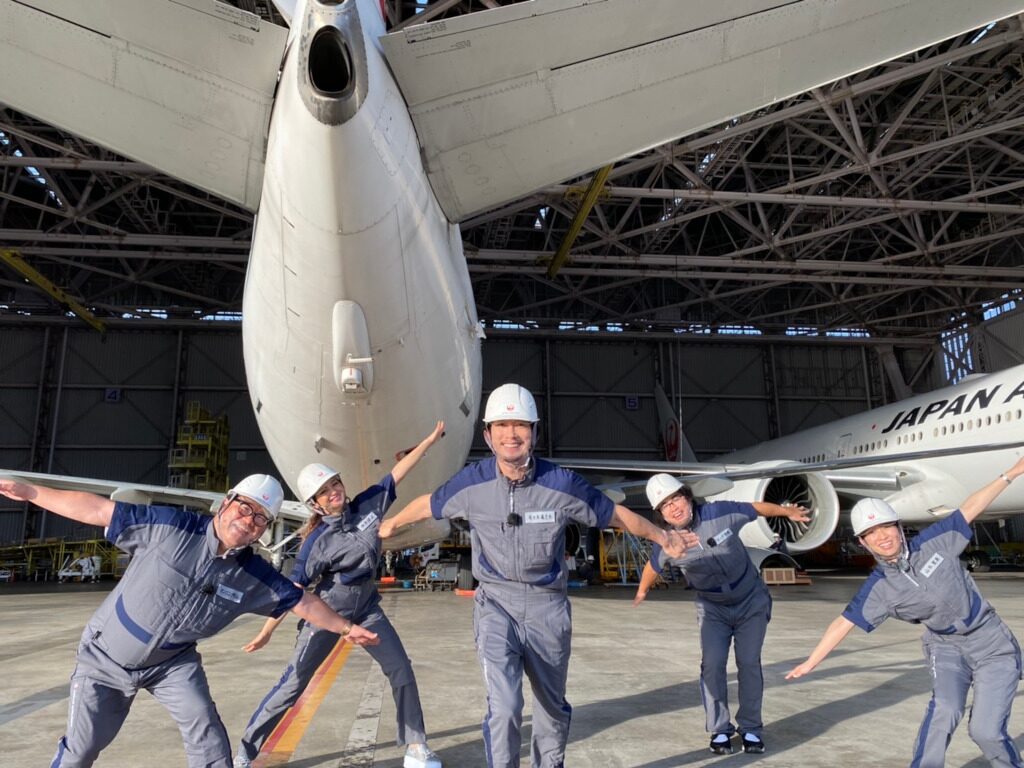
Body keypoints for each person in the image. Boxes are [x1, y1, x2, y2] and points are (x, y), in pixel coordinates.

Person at [379, 384, 695, 768]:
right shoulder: (471, 482)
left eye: (520, 425)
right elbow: (430, 503)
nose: (511, 434)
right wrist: (392, 521)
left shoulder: (561, 483)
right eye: (502, 426)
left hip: (548, 607)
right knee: (506, 706)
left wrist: (663, 535)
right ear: (487, 435)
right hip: (496, 604)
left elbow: (613, 514)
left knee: (550, 706)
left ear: (534, 432)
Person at [0, 473, 380, 768]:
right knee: (82, 748)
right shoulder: (170, 527)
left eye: (260, 519)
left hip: (172, 663)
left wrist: (345, 628)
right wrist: (33, 494)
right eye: (244, 508)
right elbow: (99, 510)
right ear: (226, 503)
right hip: (105, 658)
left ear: (264, 531)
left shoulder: (253, 574)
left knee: (208, 733)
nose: (248, 520)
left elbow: (303, 602)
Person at [786, 456, 1024, 768]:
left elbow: (972, 506)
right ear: (863, 542)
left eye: (886, 527)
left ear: (899, 528)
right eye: (871, 533)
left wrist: (1013, 471)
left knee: (985, 731)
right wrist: (810, 662)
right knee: (944, 712)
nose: (882, 537)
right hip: (946, 647)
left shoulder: (936, 542)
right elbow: (843, 623)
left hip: (991, 643)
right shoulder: (880, 587)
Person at [234, 422, 446, 768]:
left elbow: (397, 474)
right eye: (324, 490)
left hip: (367, 608)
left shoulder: (368, 506)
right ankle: (245, 752)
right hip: (327, 614)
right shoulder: (317, 543)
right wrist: (267, 630)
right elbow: (294, 591)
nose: (334, 491)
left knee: (401, 670)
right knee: (293, 684)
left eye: (335, 483)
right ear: (315, 504)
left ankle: (416, 746)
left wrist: (427, 442)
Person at [633, 473, 810, 755]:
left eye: (676, 498)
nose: (674, 507)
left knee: (748, 662)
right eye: (665, 505)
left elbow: (756, 508)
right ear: (660, 514)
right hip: (712, 607)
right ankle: (719, 730)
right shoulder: (667, 540)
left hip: (750, 599)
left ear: (687, 496)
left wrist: (786, 511)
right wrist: (642, 591)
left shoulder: (719, 513)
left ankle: (751, 728)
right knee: (712, 665)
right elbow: (652, 566)